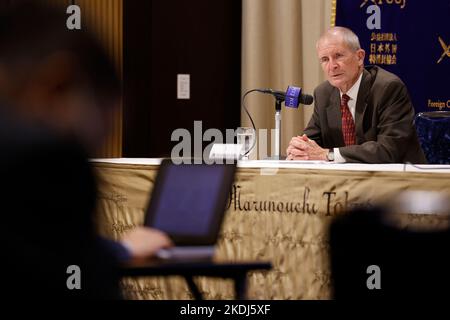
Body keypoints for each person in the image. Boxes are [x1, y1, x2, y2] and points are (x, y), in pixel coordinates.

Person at [0, 2, 171, 298]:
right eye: (92, 139)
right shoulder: (41, 158)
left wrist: (118, 249)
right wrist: (119, 252)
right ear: (58, 85)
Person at [286, 27, 426, 164]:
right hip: (347, 182)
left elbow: (389, 149)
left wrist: (328, 154)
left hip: (399, 180)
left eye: (338, 56)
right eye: (325, 59)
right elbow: (311, 140)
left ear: (360, 57)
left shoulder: (387, 88)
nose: (332, 66)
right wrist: (299, 148)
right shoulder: (323, 93)